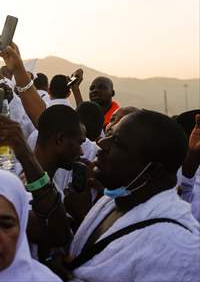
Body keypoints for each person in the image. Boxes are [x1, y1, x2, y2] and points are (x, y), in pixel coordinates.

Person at [58, 110, 200, 282]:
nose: (102, 143)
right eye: (109, 135)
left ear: (153, 170)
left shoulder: (178, 246)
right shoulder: (116, 198)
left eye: (117, 142)